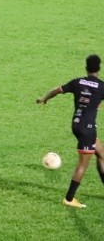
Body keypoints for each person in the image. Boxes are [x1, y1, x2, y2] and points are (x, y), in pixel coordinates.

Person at [36, 54, 104, 209]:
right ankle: (69, 198)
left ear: (86, 68)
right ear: (99, 68)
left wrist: (44, 99)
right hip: (88, 129)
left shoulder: (77, 82)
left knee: (101, 154)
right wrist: (97, 105)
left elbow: (57, 90)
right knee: (82, 165)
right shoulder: (102, 86)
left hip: (76, 125)